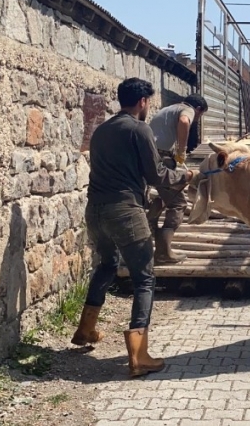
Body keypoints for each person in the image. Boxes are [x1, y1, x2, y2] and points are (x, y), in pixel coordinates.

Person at [71, 77, 195, 378]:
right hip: (125, 211)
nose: (148, 107)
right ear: (142, 102)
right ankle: (139, 356)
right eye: (148, 102)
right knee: (144, 278)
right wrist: (183, 177)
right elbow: (155, 174)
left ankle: (86, 330)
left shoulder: (101, 130)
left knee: (106, 265)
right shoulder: (140, 129)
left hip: (95, 210)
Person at [147, 94, 208, 264]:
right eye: (200, 116)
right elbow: (184, 121)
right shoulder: (186, 110)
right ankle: (162, 250)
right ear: (198, 109)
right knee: (178, 203)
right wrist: (182, 149)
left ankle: (152, 217)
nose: (197, 119)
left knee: (168, 195)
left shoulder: (168, 109)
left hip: (152, 155)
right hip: (159, 157)